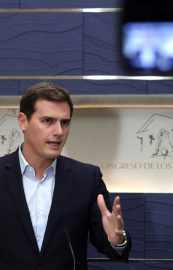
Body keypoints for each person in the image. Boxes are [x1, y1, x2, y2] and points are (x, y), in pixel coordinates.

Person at [0, 82, 131, 270]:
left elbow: (112, 248)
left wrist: (116, 240)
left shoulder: (86, 178)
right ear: (23, 121)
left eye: (65, 122)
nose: (59, 132)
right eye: (48, 121)